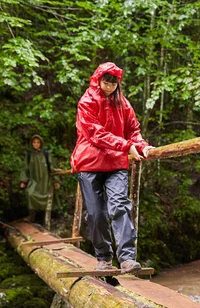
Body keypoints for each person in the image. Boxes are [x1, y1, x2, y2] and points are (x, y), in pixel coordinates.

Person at [71, 62, 154, 274]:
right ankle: (103, 257)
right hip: (89, 163)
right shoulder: (87, 101)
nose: (108, 87)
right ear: (98, 80)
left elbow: (133, 130)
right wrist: (127, 146)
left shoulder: (123, 104)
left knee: (119, 205)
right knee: (96, 213)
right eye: (105, 82)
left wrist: (142, 146)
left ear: (118, 84)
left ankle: (126, 258)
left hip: (116, 163)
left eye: (112, 84)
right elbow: (95, 134)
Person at [20, 135, 60, 223]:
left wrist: (56, 180)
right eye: (34, 142)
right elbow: (25, 168)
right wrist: (24, 181)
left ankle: (47, 219)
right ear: (31, 143)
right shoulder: (29, 155)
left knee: (48, 197)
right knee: (30, 194)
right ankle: (31, 216)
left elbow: (52, 168)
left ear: (41, 143)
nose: (36, 144)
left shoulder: (46, 154)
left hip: (45, 182)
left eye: (38, 142)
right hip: (34, 181)